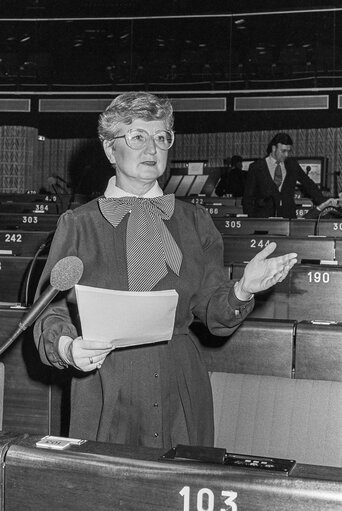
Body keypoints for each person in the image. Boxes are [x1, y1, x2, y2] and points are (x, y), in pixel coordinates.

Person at [33, 92, 297, 449]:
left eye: (161, 138)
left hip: (181, 384)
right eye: (137, 137)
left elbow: (213, 313)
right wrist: (67, 347)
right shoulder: (78, 225)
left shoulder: (196, 222)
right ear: (111, 150)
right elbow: (50, 310)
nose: (152, 149)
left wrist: (243, 290)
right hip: (105, 384)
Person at [243, 132, 325, 218]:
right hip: (263, 220)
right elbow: (248, 198)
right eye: (283, 151)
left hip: (288, 219)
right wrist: (251, 221)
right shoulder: (256, 167)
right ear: (274, 148)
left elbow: (309, 185)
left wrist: (325, 204)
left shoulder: (293, 165)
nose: (286, 155)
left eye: (288, 151)